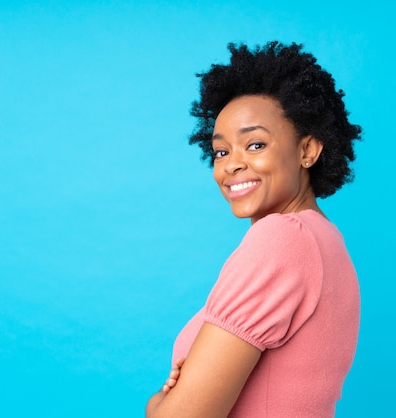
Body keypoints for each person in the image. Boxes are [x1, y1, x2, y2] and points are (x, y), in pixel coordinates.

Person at [145, 41, 362, 417]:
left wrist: (157, 405)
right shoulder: (326, 240)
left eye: (255, 144)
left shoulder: (282, 239)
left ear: (307, 150)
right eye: (221, 151)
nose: (231, 165)